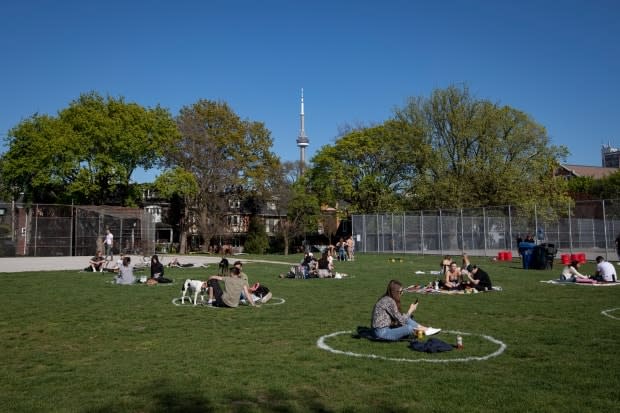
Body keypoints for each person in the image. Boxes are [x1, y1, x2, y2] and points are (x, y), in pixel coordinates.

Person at [371, 279, 441, 341]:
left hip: (384, 328)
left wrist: (409, 313)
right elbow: (401, 320)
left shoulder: (387, 298)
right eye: (401, 291)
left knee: (407, 318)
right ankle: (425, 330)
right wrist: (410, 310)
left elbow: (399, 317)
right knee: (409, 328)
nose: (402, 293)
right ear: (395, 292)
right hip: (382, 332)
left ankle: (425, 329)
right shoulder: (389, 302)